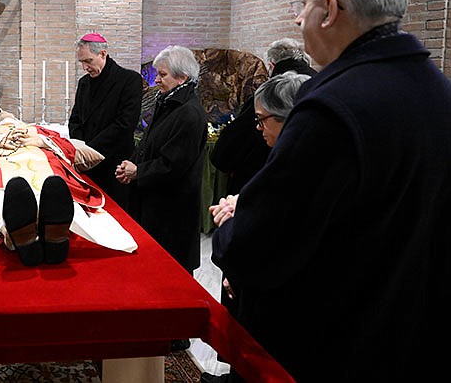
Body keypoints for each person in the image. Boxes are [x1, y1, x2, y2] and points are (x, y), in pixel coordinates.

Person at [211, 0, 451, 381]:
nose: (298, 19)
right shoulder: (437, 89)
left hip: (326, 346)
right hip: (404, 339)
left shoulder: (331, 107)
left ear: (330, 9)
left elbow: (259, 246)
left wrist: (231, 223)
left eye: (302, 5)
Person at [0, 111, 138, 265]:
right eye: (0, 117)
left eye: (8, 116)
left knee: (53, 179)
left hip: (39, 155)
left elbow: (67, 149)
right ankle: (22, 234)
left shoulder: (37, 130)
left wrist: (40, 141)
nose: (5, 117)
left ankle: (52, 231)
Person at [203, 71, 311, 383]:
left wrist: (230, 220)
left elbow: (245, 241)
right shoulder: (293, 153)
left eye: (262, 119)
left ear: (286, 117)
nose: (258, 127)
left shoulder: (294, 163)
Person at [116, 45, 206, 273]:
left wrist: (138, 172)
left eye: (162, 75)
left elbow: (172, 165)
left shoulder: (188, 113)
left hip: (172, 214)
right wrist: (131, 165)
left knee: (169, 274)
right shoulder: (168, 101)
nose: (156, 80)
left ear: (182, 77)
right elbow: (149, 141)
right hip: (155, 206)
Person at [210, 37, 316, 196]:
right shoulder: (322, 88)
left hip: (262, 186)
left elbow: (225, 153)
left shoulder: (270, 96)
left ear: (271, 66)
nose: (259, 126)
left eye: (260, 121)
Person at [69, 32, 143, 209]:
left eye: (88, 61)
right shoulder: (84, 83)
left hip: (114, 165)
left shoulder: (129, 80)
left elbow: (124, 124)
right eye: (82, 62)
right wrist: (82, 150)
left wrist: (90, 150)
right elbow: (75, 119)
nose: (85, 67)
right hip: (87, 166)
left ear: (102, 54)